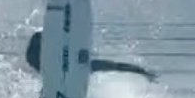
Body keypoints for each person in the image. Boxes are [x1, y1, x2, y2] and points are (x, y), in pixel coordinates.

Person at [24, 30, 158, 81]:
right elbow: (117, 66)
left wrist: (142, 72)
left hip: (51, 67)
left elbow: (117, 66)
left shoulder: (85, 67)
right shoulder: (78, 62)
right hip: (43, 59)